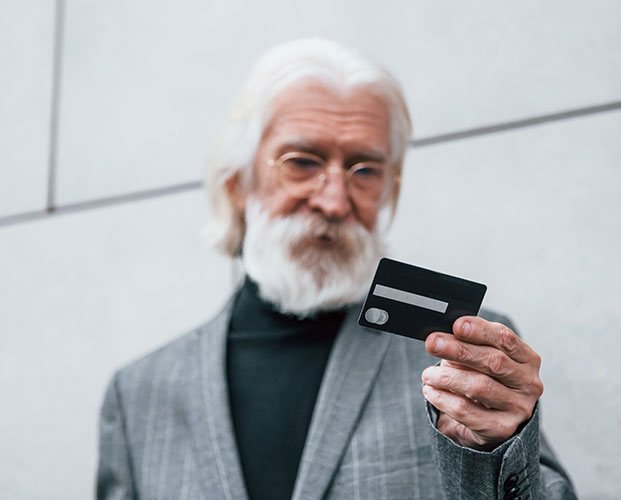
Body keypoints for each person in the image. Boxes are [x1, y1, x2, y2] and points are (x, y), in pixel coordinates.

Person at [96, 38, 576, 500]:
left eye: (364, 170)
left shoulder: (464, 356)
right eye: (302, 162)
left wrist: (492, 452)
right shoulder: (139, 395)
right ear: (238, 181)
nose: (334, 200)